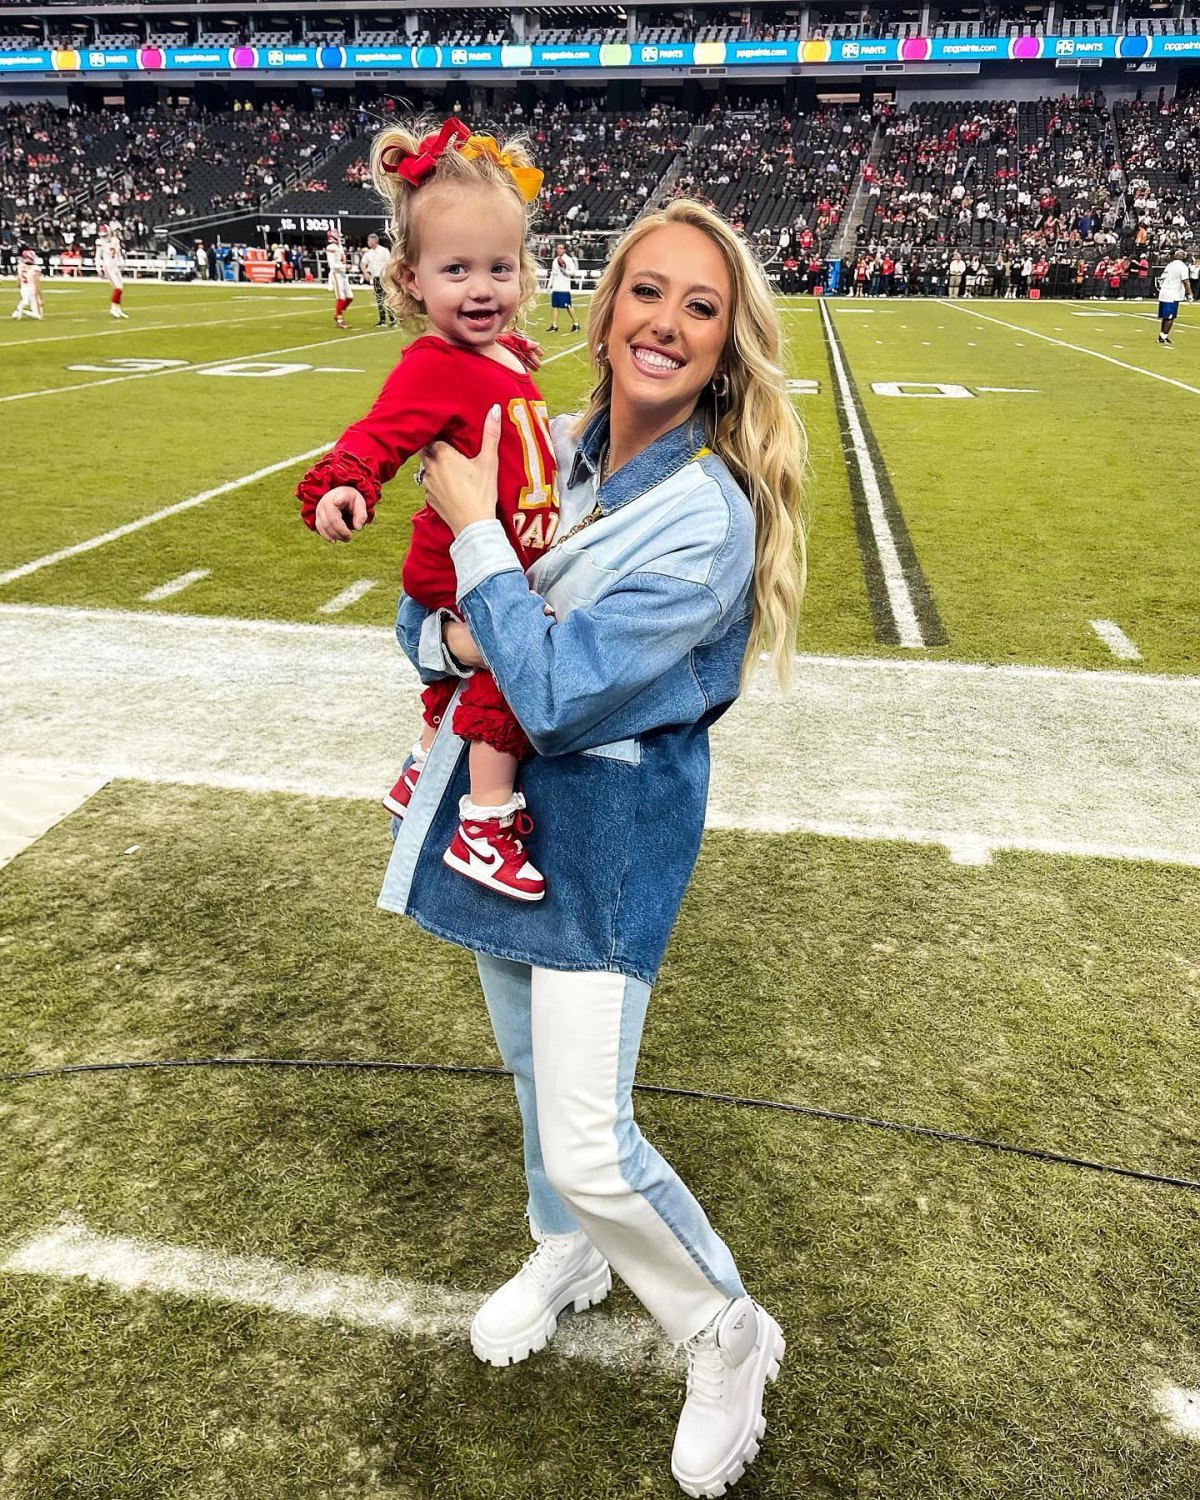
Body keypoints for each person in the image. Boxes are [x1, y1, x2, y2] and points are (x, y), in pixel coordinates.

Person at [384, 198, 805, 1497]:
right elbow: (419, 623)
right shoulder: (549, 445)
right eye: (648, 293)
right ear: (605, 303)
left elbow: (561, 691)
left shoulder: (707, 516)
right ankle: (565, 1250)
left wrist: (469, 550)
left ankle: (722, 1326)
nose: (667, 323)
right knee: (531, 1078)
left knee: (587, 1129)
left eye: (701, 306)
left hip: (609, 834)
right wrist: (454, 629)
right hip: (507, 817)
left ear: (729, 344)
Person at [297, 116, 556, 900]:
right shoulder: (432, 365)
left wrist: (512, 362)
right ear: (412, 279)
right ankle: (483, 824)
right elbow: (377, 434)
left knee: (470, 680)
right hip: (460, 571)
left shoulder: (495, 353)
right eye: (456, 271)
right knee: (514, 669)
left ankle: (419, 770)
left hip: (496, 559)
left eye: (499, 268)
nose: (483, 288)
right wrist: (344, 483)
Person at [1156, 248, 1192, 347]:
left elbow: (1162, 278)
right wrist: (1189, 294)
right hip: (1172, 294)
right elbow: (1186, 281)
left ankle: (1162, 335)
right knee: (1170, 317)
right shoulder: (1182, 267)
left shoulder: (1170, 265)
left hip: (1164, 292)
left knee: (1165, 317)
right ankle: (1163, 337)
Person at [360, 231, 395, 326]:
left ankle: (392, 320)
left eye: (369, 240)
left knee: (388, 299)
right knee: (379, 300)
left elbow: (389, 263)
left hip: (384, 278)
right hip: (376, 278)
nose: (367, 242)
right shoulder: (369, 253)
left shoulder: (384, 251)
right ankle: (382, 320)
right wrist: (365, 273)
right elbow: (363, 263)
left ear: (374, 241)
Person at [95, 222, 128, 318]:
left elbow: (118, 254)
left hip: (115, 266)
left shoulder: (115, 240)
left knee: (120, 288)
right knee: (117, 288)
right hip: (108, 267)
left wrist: (121, 263)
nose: (104, 237)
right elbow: (97, 257)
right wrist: (98, 269)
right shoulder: (100, 243)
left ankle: (118, 309)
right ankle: (113, 309)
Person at [546, 241, 579, 332]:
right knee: (555, 306)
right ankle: (554, 325)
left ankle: (576, 323)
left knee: (568, 306)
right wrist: (549, 285)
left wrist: (564, 271)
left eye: (561, 248)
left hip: (564, 288)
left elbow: (573, 272)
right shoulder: (555, 260)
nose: (559, 250)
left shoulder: (568, 259)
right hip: (556, 287)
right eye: (558, 248)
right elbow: (553, 273)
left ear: (564, 250)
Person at [325, 228, 353, 328]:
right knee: (340, 297)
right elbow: (332, 264)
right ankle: (339, 320)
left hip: (343, 274)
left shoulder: (339, 246)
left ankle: (338, 313)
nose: (340, 237)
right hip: (336, 274)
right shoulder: (331, 247)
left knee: (349, 297)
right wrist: (345, 266)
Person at [11, 248, 44, 320]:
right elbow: (36, 283)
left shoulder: (20, 266)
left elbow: (18, 282)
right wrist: (39, 296)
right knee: (38, 316)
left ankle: (17, 311)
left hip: (23, 288)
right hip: (31, 289)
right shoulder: (35, 268)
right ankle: (22, 311)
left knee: (25, 301)